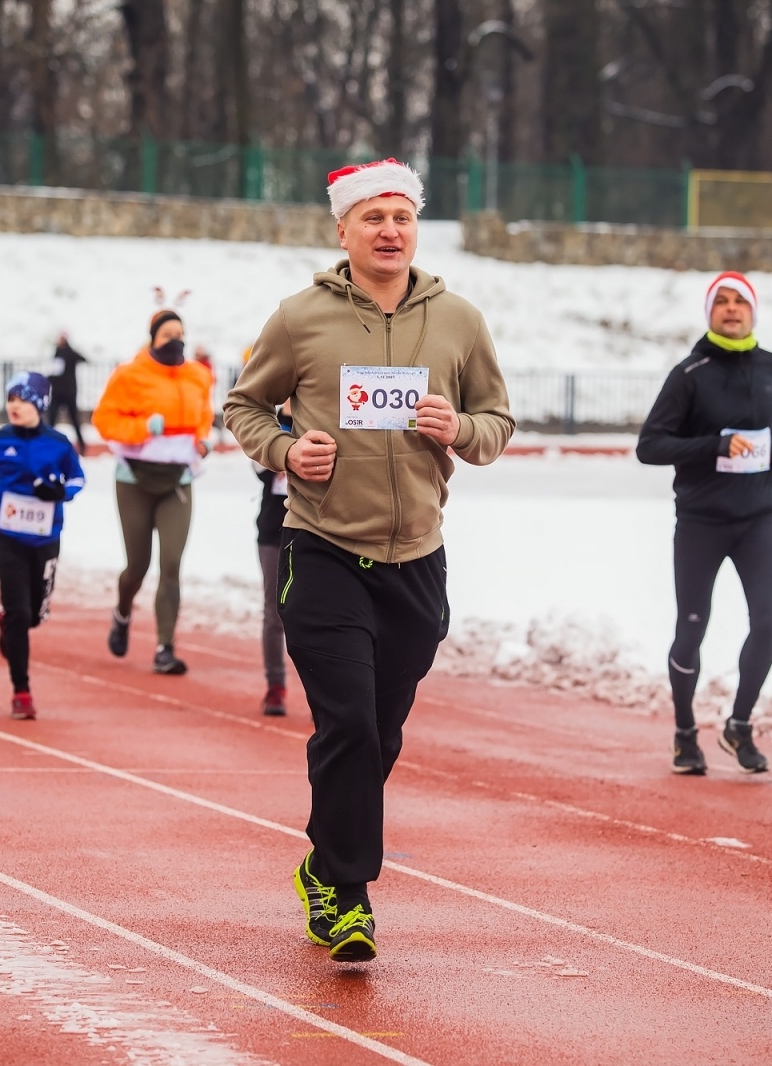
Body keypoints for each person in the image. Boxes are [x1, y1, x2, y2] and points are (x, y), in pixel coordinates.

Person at [224, 158, 514, 963]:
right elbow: (242, 406)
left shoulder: (457, 319)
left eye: (401, 217)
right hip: (320, 546)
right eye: (372, 217)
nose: (389, 231)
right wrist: (286, 450)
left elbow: (498, 420)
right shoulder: (300, 318)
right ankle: (347, 900)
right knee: (348, 720)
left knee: (377, 737)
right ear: (341, 230)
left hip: (415, 557)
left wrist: (458, 428)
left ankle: (321, 861)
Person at [637, 271, 772, 776]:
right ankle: (685, 733)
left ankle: (739, 726)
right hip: (702, 521)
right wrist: (713, 446)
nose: (731, 309)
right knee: (692, 628)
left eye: (740, 302)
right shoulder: (690, 373)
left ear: (753, 311)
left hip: (758, 519)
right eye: (721, 302)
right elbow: (650, 447)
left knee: (767, 624)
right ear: (709, 313)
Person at [0, 372, 85, 719]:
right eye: (10, 399)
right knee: (19, 611)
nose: (14, 406)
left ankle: (10, 622)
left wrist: (60, 493)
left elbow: (77, 479)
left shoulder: (59, 444)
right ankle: (22, 691)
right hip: (7, 536)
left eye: (23, 400)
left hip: (46, 539)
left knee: (34, 615)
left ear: (40, 404)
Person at [92, 309, 213, 676]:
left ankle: (165, 647)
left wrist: (202, 441)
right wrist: (143, 427)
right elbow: (104, 420)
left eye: (181, 333)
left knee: (172, 564)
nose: (175, 340)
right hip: (135, 480)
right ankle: (123, 611)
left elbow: (203, 416)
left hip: (178, 480)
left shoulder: (197, 375)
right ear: (153, 338)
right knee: (138, 566)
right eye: (167, 335)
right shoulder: (129, 374)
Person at [254, 400, 294, 717]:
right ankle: (275, 686)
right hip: (273, 532)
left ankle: (323, 692)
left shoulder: (326, 418)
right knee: (274, 612)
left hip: (316, 533)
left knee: (321, 614)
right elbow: (258, 464)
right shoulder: (270, 428)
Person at [46, 332, 89, 455]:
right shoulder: (57, 353)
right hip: (57, 392)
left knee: (74, 420)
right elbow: (54, 371)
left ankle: (82, 445)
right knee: (51, 420)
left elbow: (84, 359)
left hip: (68, 392)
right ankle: (47, 443)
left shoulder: (70, 353)